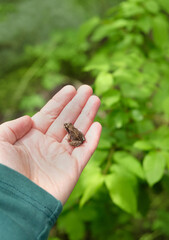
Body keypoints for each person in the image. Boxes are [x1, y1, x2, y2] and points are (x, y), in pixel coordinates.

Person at [0, 85, 102, 240]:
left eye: (67, 127)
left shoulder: (70, 131)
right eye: (67, 127)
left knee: (75, 139)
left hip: (77, 139)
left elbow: (74, 136)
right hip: (79, 137)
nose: (66, 127)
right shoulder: (71, 129)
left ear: (69, 128)